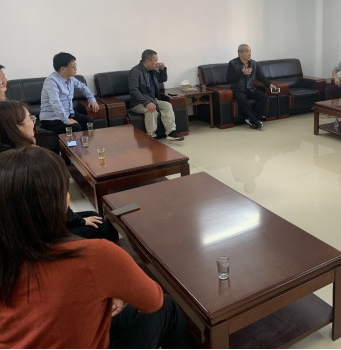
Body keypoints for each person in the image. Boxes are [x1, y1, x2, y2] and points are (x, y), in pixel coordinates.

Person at [0, 147, 196, 349]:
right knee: (167, 307)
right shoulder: (95, 256)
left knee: (122, 314)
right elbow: (153, 301)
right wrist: (115, 290)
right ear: (60, 203)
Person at [0, 100, 115, 241]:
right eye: (30, 118)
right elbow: (55, 205)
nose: (33, 122)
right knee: (102, 225)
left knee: (93, 215)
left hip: (16, 231)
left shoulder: (7, 156)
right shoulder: (30, 162)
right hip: (38, 236)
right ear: (16, 127)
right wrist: (80, 221)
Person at [129, 50, 184, 141]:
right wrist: (146, 103)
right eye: (155, 60)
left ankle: (171, 133)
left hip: (152, 99)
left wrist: (162, 69)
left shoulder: (152, 71)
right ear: (147, 61)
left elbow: (162, 79)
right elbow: (134, 90)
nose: (157, 63)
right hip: (138, 103)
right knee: (151, 110)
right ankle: (151, 137)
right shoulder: (135, 71)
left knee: (167, 105)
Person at [40, 53, 99, 134]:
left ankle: (86, 141)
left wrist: (92, 100)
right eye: (73, 67)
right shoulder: (51, 81)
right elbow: (55, 102)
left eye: (75, 65)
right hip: (52, 119)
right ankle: (74, 143)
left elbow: (83, 87)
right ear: (63, 69)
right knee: (75, 127)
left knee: (89, 121)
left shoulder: (71, 79)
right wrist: (66, 120)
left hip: (68, 113)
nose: (76, 69)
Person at [226, 44, 278, 130]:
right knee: (242, 99)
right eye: (247, 51)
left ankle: (253, 119)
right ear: (240, 54)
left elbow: (260, 76)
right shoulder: (232, 63)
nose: (250, 54)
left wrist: (269, 85)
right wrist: (242, 73)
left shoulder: (254, 63)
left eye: (250, 51)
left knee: (263, 96)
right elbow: (228, 79)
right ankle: (255, 120)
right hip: (237, 89)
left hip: (250, 88)